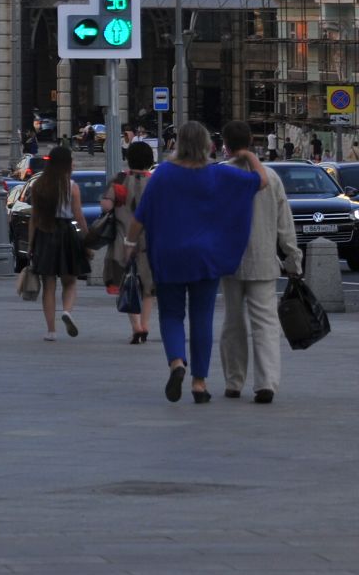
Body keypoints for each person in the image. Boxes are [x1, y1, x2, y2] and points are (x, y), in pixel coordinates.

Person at [128, 120, 269, 404]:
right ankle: (200, 383)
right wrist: (247, 154)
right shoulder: (216, 175)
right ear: (208, 145)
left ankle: (177, 363)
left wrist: (129, 245)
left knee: (170, 315)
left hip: (168, 255)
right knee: (201, 318)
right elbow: (261, 181)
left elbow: (141, 216)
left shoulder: (164, 174)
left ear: (178, 143)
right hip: (205, 256)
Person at [218, 121, 300, 403]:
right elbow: (284, 223)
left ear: (225, 143)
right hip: (264, 258)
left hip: (229, 259)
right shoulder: (271, 178)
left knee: (232, 321)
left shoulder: (219, 175)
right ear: (252, 141)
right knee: (265, 322)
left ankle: (233, 381)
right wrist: (293, 258)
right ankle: (266, 383)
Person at [26, 145, 92, 341]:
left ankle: (51, 331)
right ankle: (67, 311)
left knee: (48, 284)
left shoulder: (39, 185)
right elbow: (79, 216)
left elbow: (34, 218)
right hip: (66, 234)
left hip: (45, 234)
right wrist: (87, 239)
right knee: (70, 281)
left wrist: (30, 245)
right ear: (66, 163)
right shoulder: (71, 186)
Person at [101, 141, 156, 343]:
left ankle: (135, 326)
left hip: (123, 240)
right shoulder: (155, 182)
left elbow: (106, 206)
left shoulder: (119, 180)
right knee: (148, 287)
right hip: (150, 241)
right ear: (150, 160)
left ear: (128, 158)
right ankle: (145, 324)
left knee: (128, 283)